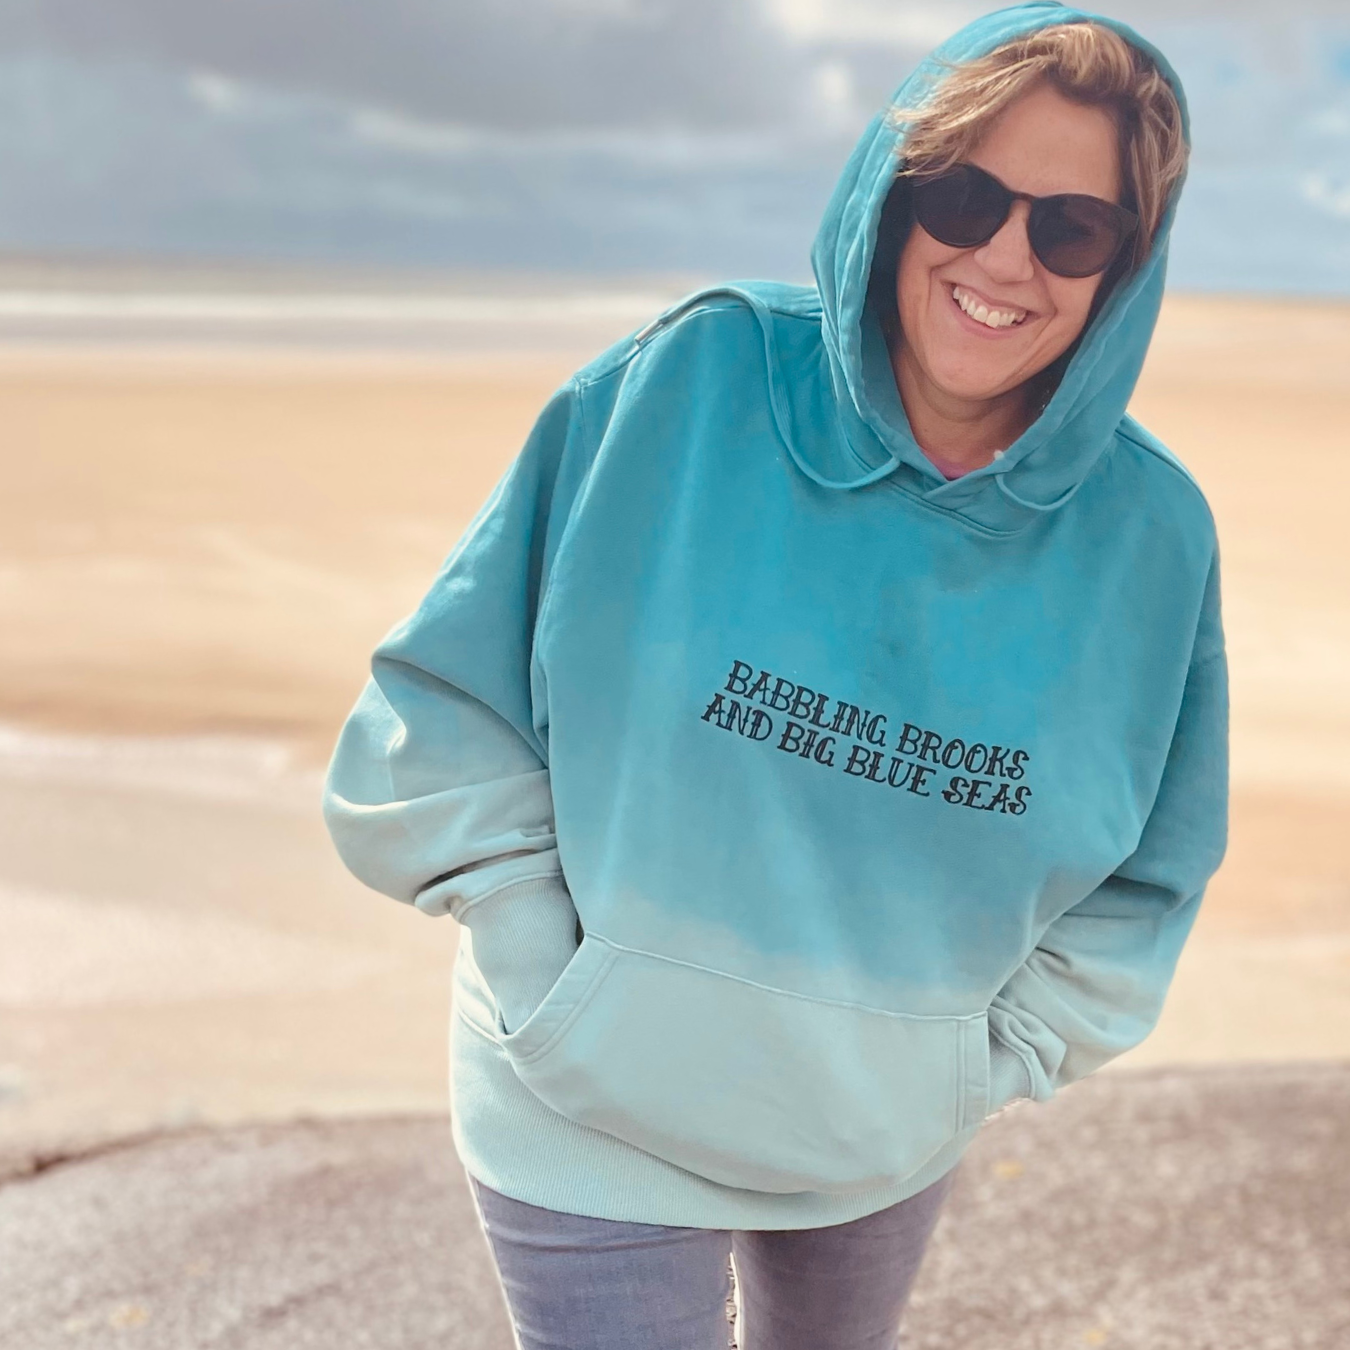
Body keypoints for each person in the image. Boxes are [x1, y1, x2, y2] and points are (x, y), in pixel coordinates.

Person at [322, 4, 1227, 1347]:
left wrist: (970, 1066)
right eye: (963, 196)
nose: (1000, 257)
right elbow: (442, 704)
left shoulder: (1149, 536)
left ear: (1122, 266)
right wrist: (542, 960)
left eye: (1067, 227)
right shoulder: (694, 378)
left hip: (879, 1133)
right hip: (580, 1105)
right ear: (891, 191)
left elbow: (1152, 865)